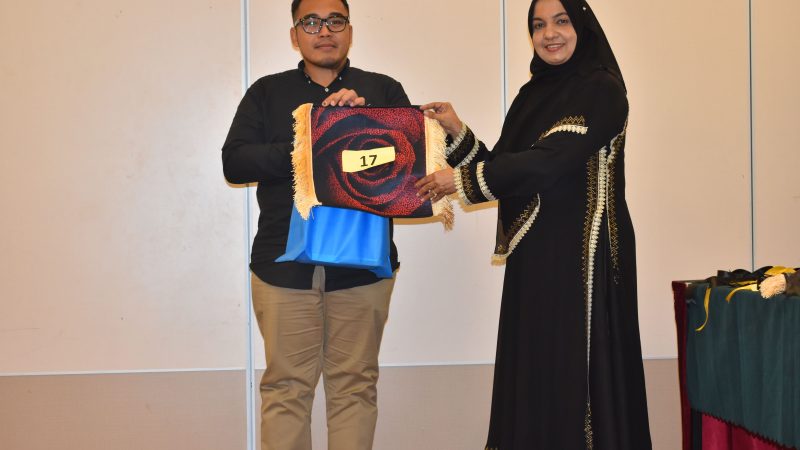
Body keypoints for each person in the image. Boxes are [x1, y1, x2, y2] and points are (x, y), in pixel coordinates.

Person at [416, 0, 652, 448]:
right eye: (538, 25)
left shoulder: (602, 90)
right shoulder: (533, 95)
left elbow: (549, 161)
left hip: (584, 260)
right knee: (535, 369)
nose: (549, 34)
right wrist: (456, 130)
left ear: (582, 25)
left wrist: (459, 181)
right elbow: (507, 168)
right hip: (535, 258)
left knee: (575, 373)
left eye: (561, 21)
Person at [221, 0, 410, 449]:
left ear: (350, 30)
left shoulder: (383, 91)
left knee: (355, 388)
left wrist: (358, 125)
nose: (324, 31)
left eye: (335, 21)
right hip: (282, 266)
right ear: (295, 34)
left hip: (364, 266)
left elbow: (408, 168)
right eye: (311, 22)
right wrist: (312, 133)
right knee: (286, 389)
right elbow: (235, 162)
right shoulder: (267, 93)